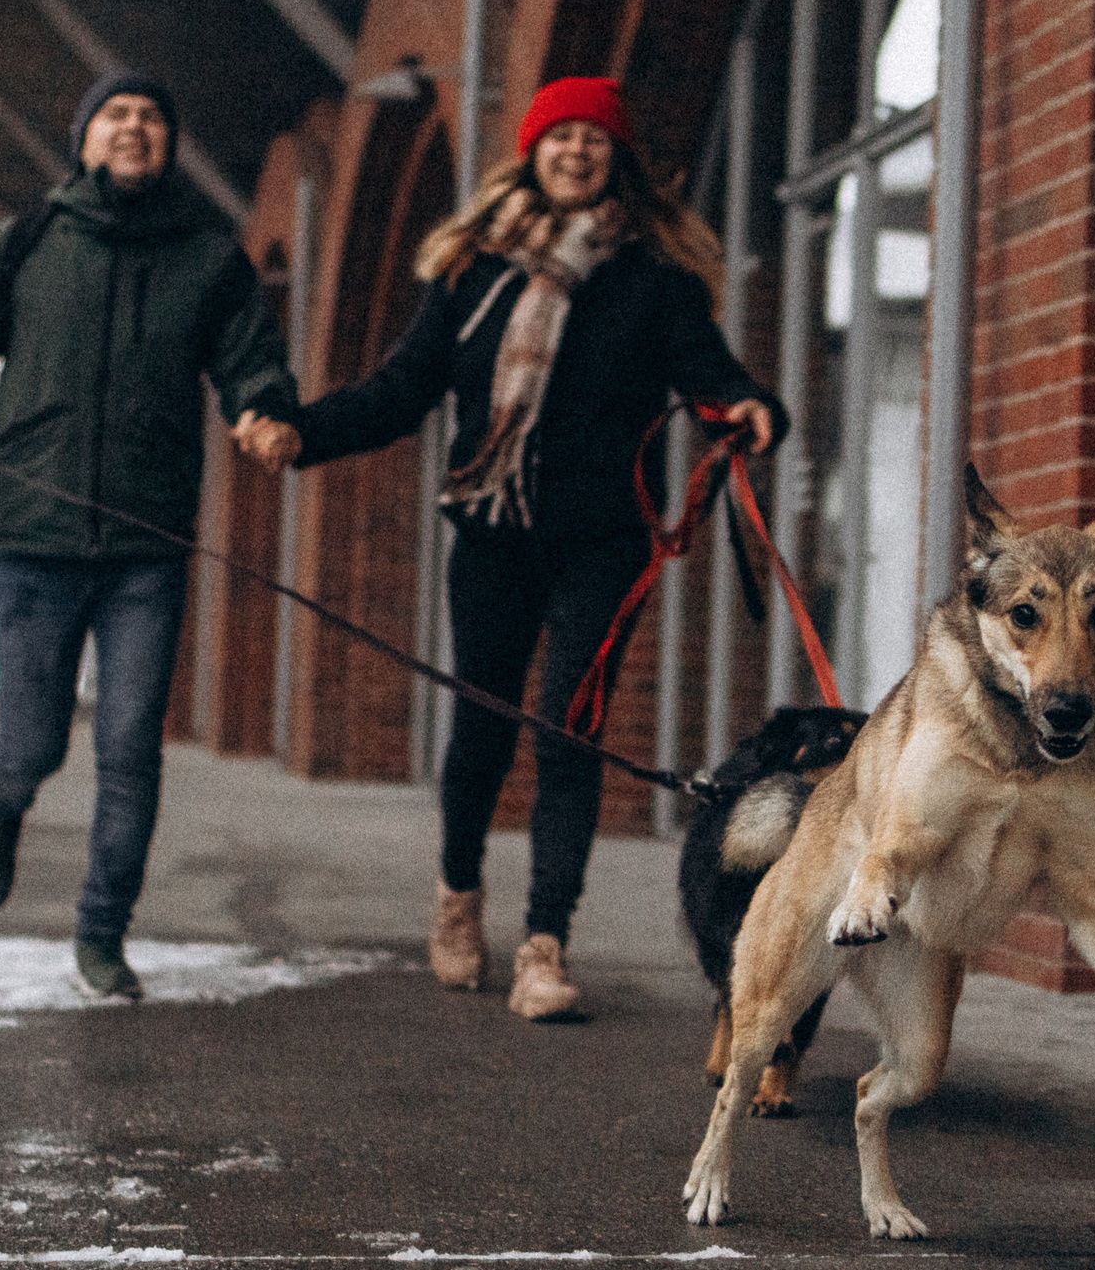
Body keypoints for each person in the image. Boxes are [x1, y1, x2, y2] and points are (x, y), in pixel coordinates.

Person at [235, 77, 782, 1022]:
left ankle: (544, 944)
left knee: (567, 736)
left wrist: (750, 403)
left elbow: (710, 373)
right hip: (491, 537)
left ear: (618, 159)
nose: (577, 151)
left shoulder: (656, 284)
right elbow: (399, 392)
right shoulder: (473, 278)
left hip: (602, 546)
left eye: (595, 139)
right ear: (532, 151)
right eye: (560, 136)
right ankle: (457, 900)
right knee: (482, 731)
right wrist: (302, 433)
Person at [0, 72, 297, 1002]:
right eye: (116, 115)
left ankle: (102, 936)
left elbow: (251, 360)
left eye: (153, 116)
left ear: (169, 144)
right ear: (84, 141)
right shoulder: (29, 239)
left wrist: (265, 412)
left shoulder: (206, 254)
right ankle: (1, 806)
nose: (135, 128)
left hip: (147, 547)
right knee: (33, 738)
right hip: (35, 536)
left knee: (129, 747)